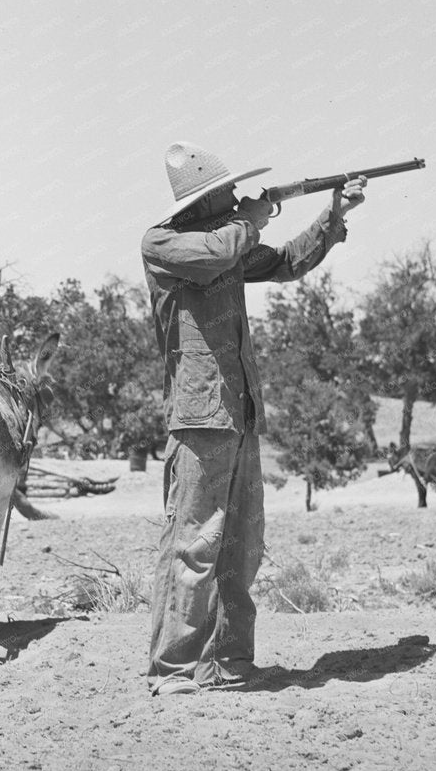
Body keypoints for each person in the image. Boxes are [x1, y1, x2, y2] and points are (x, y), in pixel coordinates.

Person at [140, 142, 365, 695]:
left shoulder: (230, 236)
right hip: (199, 418)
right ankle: (173, 669)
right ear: (203, 199)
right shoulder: (164, 243)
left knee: (240, 545)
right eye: (225, 192)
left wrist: (332, 216)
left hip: (238, 414)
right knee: (193, 544)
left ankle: (229, 662)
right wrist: (253, 217)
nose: (235, 197)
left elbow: (288, 262)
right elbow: (219, 254)